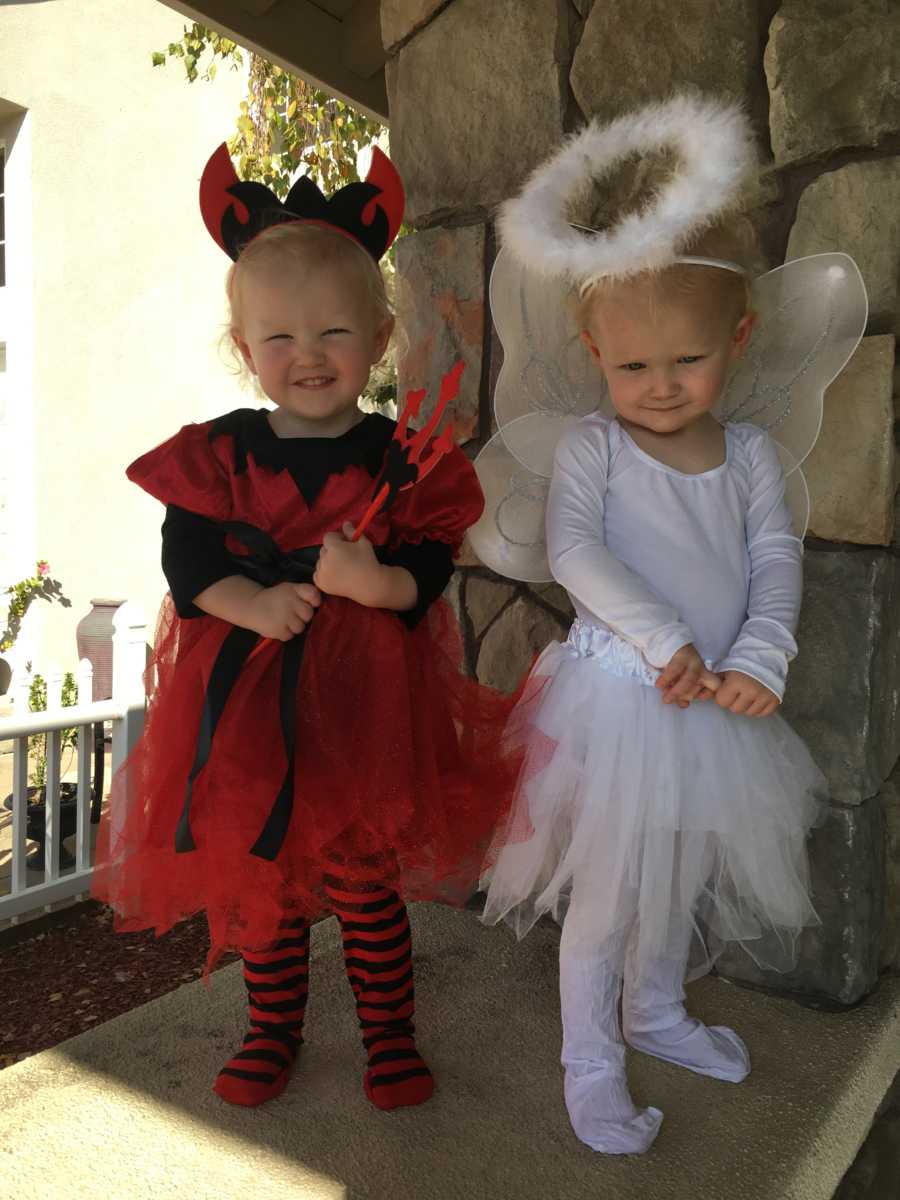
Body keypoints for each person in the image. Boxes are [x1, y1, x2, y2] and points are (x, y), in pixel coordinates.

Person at [92, 144, 518, 1112]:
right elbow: (189, 566)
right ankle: (271, 1027)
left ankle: (389, 1036)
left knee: (366, 883)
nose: (309, 355)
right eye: (279, 338)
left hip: (362, 711)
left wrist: (375, 585)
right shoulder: (219, 455)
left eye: (334, 331)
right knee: (265, 887)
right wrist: (249, 601)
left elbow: (429, 565)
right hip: (248, 703)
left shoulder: (398, 457)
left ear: (377, 339)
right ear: (244, 348)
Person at [480, 97, 832, 1154]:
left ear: (739, 337)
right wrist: (665, 639)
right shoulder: (596, 448)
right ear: (594, 348)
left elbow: (775, 559)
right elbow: (576, 553)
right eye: (633, 368)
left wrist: (760, 654)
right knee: (608, 890)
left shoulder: (754, 461)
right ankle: (590, 1055)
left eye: (688, 362)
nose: (662, 388)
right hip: (626, 696)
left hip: (715, 697)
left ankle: (657, 1009)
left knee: (675, 874)